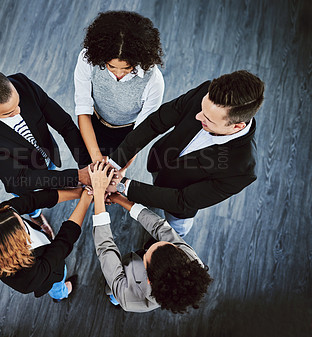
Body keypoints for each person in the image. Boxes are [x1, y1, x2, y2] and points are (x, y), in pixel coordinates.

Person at [107, 70, 265, 236]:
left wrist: (123, 185)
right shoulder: (206, 91)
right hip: (160, 161)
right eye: (202, 108)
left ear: (237, 126)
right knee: (156, 187)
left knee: (172, 233)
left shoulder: (242, 169)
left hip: (178, 206)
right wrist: (113, 164)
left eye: (208, 119)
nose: (197, 116)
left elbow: (182, 201)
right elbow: (156, 123)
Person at [0, 70, 92, 238]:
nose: (18, 112)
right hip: (23, 178)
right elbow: (21, 177)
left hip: (46, 153)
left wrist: (86, 165)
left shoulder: (22, 83)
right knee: (31, 201)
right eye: (8, 113)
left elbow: (65, 125)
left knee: (52, 173)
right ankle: (36, 217)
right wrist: (77, 177)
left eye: (18, 104)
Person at [87, 161, 212, 313]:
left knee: (112, 290)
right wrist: (119, 199)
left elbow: (106, 248)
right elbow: (159, 226)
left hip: (121, 286)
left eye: (147, 253)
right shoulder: (190, 260)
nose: (145, 248)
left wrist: (99, 195)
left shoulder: (129, 298)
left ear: (148, 279)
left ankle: (113, 297)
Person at [74, 10, 164, 172]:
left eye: (127, 68)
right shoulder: (87, 59)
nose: (119, 73)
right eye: (111, 66)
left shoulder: (154, 82)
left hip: (126, 135)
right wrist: (96, 160)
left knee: (110, 178)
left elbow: (141, 134)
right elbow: (83, 108)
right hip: (91, 123)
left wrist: (120, 171)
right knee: (86, 172)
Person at [0, 186, 93, 300]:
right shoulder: (28, 279)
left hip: (43, 252)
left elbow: (32, 200)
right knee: (57, 286)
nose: (23, 220)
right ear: (18, 245)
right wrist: (85, 201)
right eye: (24, 228)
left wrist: (80, 192)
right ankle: (61, 294)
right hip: (51, 274)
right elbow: (64, 241)